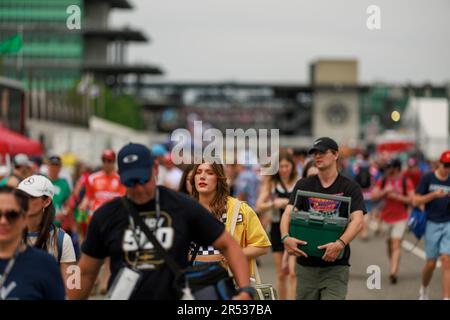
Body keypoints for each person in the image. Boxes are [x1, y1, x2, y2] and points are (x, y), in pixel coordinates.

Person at [68, 143, 254, 300]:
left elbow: (229, 244)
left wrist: (245, 290)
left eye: (143, 179)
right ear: (120, 176)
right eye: (131, 182)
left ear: (155, 169)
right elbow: (84, 271)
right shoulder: (106, 216)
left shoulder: (182, 207)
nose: (139, 188)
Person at [280, 137, 365, 300]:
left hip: (336, 267)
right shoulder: (304, 185)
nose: (317, 156)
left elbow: (358, 220)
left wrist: (340, 243)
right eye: (314, 153)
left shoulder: (349, 187)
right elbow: (288, 213)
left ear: (335, 155)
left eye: (322, 152)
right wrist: (285, 238)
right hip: (306, 266)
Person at [191, 161, 271, 276]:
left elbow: (262, 246)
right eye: (198, 172)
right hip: (192, 276)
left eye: (209, 173)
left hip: (230, 276)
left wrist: (235, 254)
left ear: (219, 179)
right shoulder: (184, 208)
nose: (202, 176)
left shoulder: (240, 209)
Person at [0, 186, 66, 300]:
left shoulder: (45, 264)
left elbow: (74, 284)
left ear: (24, 218)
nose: (3, 221)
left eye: (12, 215)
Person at [16, 175, 77, 293]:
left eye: (31, 197)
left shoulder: (62, 239)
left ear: (47, 201)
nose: (23, 201)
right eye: (20, 196)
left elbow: (73, 287)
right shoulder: (6, 236)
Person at [78, 149, 126, 294]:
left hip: (113, 220)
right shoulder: (93, 178)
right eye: (104, 160)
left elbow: (123, 200)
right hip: (95, 219)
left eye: (110, 161)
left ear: (114, 162)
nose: (107, 163)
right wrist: (82, 206)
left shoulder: (119, 179)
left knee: (110, 253)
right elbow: (88, 196)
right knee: (93, 252)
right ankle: (94, 281)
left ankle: (105, 283)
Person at [256, 150, 299, 300]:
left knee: (293, 272)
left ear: (292, 166)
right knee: (281, 273)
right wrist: (273, 203)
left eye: (287, 166)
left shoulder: (299, 182)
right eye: (281, 166)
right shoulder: (272, 183)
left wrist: (290, 204)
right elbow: (259, 205)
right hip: (276, 228)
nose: (284, 170)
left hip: (295, 229)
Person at [413, 150, 450, 300]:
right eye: (446, 165)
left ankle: (446, 297)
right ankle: (424, 287)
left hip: (448, 223)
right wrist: (433, 195)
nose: (448, 168)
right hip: (431, 223)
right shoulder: (428, 178)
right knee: (431, 264)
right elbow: (415, 201)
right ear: (439, 164)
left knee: (446, 260)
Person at [371, 158, 414, 284]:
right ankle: (393, 265)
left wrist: (397, 196)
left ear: (397, 168)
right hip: (385, 218)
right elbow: (373, 196)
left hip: (401, 218)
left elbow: (412, 200)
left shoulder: (406, 181)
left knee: (396, 243)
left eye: (390, 167)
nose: (388, 169)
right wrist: (385, 191)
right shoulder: (383, 180)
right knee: (389, 244)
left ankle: (393, 271)